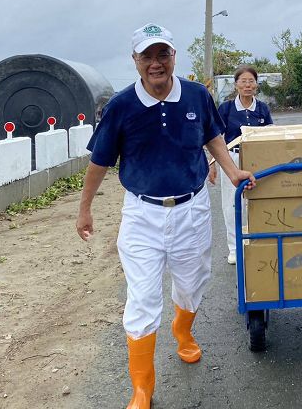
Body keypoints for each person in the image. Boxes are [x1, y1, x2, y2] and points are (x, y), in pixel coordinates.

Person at [75, 23, 255, 409]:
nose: (155, 63)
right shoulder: (121, 106)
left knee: (193, 283)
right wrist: (85, 208)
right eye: (147, 56)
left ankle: (182, 331)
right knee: (142, 298)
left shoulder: (197, 95)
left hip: (192, 208)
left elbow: (213, 136)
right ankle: (142, 388)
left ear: (173, 56)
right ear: (135, 60)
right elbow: (99, 161)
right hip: (142, 214)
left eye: (162, 54)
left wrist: (232, 172)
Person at [215, 66, 274, 265]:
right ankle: (234, 248)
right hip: (232, 158)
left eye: (251, 81)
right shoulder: (226, 108)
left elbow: (270, 135)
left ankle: (257, 242)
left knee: (258, 200)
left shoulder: (262, 108)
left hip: (257, 159)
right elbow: (216, 138)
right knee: (232, 203)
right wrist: (212, 164)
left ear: (256, 84)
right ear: (236, 85)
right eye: (243, 81)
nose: (247, 85)